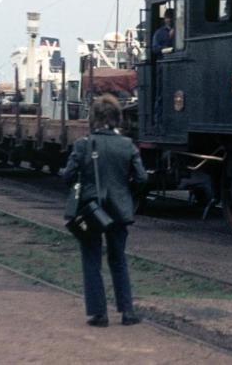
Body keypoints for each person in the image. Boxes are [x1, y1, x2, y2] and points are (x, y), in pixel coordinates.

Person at [63, 94, 148, 327]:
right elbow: (141, 178)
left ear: (93, 118)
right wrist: (125, 192)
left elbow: (67, 175)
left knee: (91, 259)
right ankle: (127, 311)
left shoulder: (83, 145)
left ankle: (99, 314)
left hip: (91, 210)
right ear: (117, 118)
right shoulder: (127, 145)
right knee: (118, 259)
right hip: (120, 209)